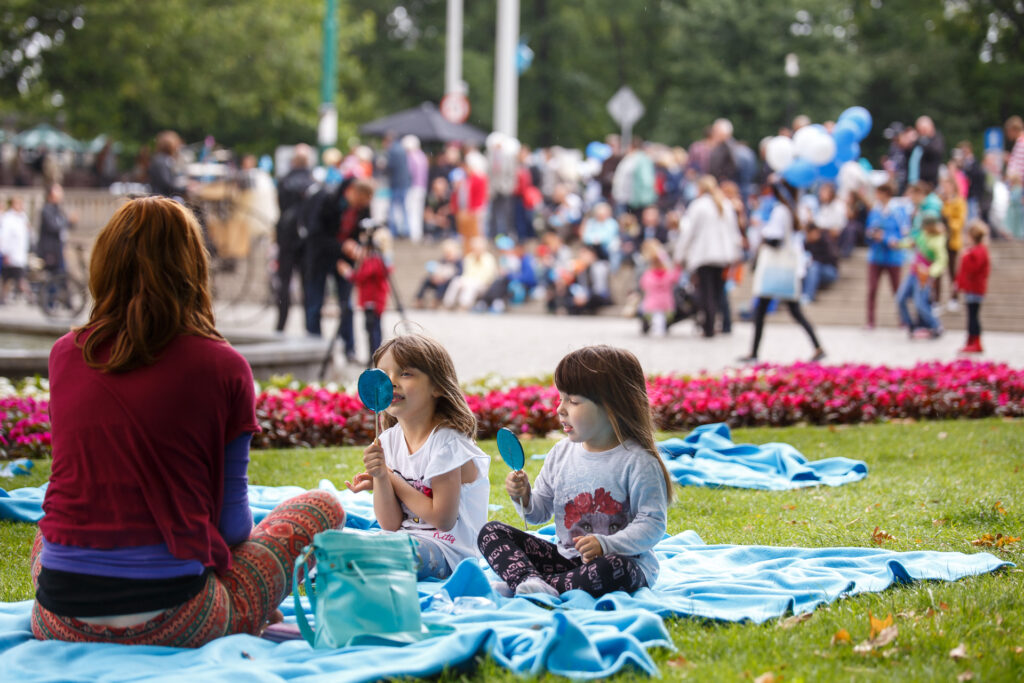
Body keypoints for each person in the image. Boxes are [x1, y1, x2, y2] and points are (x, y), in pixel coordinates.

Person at [31, 197, 345, 647]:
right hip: (179, 619)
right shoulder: (224, 366)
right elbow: (232, 527)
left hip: (58, 618)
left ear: (104, 264)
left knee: (46, 540)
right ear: (193, 268)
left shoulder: (65, 354)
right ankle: (242, 604)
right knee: (323, 507)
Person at [478, 345, 671, 598]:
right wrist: (523, 497)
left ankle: (531, 583)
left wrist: (606, 544)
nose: (560, 409)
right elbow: (538, 513)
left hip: (619, 562)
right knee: (490, 532)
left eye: (574, 401)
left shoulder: (637, 462)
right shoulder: (561, 453)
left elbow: (653, 524)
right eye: (561, 398)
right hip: (565, 561)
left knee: (615, 569)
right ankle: (531, 580)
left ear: (613, 406)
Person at [345, 334, 490, 579]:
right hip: (402, 540)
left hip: (448, 553)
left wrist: (391, 478)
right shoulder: (389, 441)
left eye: (405, 373)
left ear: (437, 386)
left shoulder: (447, 444)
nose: (391, 382)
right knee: (339, 541)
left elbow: (442, 519)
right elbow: (389, 524)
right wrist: (381, 478)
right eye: (384, 374)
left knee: (383, 555)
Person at [740, 180, 826, 363]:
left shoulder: (780, 210)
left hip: (775, 268)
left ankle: (754, 352)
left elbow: (775, 239)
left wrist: (763, 232)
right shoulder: (790, 209)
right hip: (784, 268)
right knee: (792, 311)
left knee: (764, 310)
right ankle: (817, 346)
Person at [304, 178, 373, 360]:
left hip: (344, 260)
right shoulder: (328, 201)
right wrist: (342, 246)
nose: (362, 206)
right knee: (315, 304)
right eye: (361, 201)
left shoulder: (362, 208)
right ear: (354, 193)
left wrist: (357, 247)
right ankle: (314, 349)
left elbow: (362, 233)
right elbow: (316, 234)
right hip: (320, 257)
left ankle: (349, 348)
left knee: (346, 305)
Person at [672, 175, 743, 337]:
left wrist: (680, 255)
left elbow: (688, 232)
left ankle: (709, 327)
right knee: (717, 292)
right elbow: (734, 232)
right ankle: (717, 323)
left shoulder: (698, 205)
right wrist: (735, 254)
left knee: (706, 292)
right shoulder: (725, 204)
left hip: (704, 255)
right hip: (723, 256)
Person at [273, 144, 316, 332]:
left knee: (284, 282)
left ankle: (281, 324)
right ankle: (309, 325)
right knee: (307, 282)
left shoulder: (284, 181)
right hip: (306, 241)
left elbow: (281, 206)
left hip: (286, 237)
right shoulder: (313, 183)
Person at [338, 227, 392, 360]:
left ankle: (375, 355)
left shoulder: (376, 261)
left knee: (374, 330)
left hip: (374, 299)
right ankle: (372, 355)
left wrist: (347, 272)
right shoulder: (376, 260)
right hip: (370, 299)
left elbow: (361, 275)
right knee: (370, 328)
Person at [896, 211, 948, 339]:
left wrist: (930, 272)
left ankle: (936, 326)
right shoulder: (923, 235)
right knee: (900, 298)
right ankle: (911, 326)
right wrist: (898, 244)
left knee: (920, 303)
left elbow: (942, 261)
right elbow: (912, 242)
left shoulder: (938, 239)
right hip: (914, 272)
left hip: (924, 275)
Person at [863, 182, 907, 329]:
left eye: (879, 193)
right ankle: (870, 321)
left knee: (897, 290)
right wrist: (872, 235)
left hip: (893, 256)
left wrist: (886, 238)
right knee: (872, 289)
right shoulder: (875, 211)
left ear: (886, 194)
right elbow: (868, 231)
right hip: (876, 255)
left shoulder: (898, 211)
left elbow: (904, 234)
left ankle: (903, 319)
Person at [955, 220, 991, 354]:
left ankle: (976, 342)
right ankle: (970, 340)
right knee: (970, 315)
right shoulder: (976, 250)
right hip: (971, 287)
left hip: (975, 288)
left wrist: (967, 255)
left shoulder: (979, 250)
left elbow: (973, 269)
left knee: (973, 316)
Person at [639, 240, 681, 336]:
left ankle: (655, 328)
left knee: (653, 316)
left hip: (650, 306)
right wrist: (677, 267)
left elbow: (643, 286)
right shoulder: (668, 274)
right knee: (661, 318)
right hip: (666, 305)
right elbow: (676, 278)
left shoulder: (648, 275)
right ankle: (661, 329)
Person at [939, 174, 967, 310]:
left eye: (947, 185)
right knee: (938, 270)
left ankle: (954, 298)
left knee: (953, 271)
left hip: (953, 240)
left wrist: (948, 220)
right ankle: (936, 300)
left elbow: (959, 221)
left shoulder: (958, 201)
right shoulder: (941, 201)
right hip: (941, 240)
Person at [37, 183, 74, 273]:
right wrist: (68, 221)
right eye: (58, 191)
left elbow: (65, 225)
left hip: (59, 249)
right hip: (50, 251)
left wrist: (71, 221)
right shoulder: (47, 210)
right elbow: (53, 226)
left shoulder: (58, 210)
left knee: (61, 277)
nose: (61, 194)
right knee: (52, 278)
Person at [0, 196, 31, 303]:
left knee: (7, 280)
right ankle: (32, 298)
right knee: (19, 279)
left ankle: (2, 299)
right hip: (11, 254)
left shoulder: (23, 217)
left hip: (20, 254)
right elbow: (4, 237)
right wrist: (5, 252)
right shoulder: (8, 218)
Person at [148, 131, 189, 199]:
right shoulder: (161, 161)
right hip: (162, 198)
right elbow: (166, 184)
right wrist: (185, 189)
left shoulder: (162, 159)